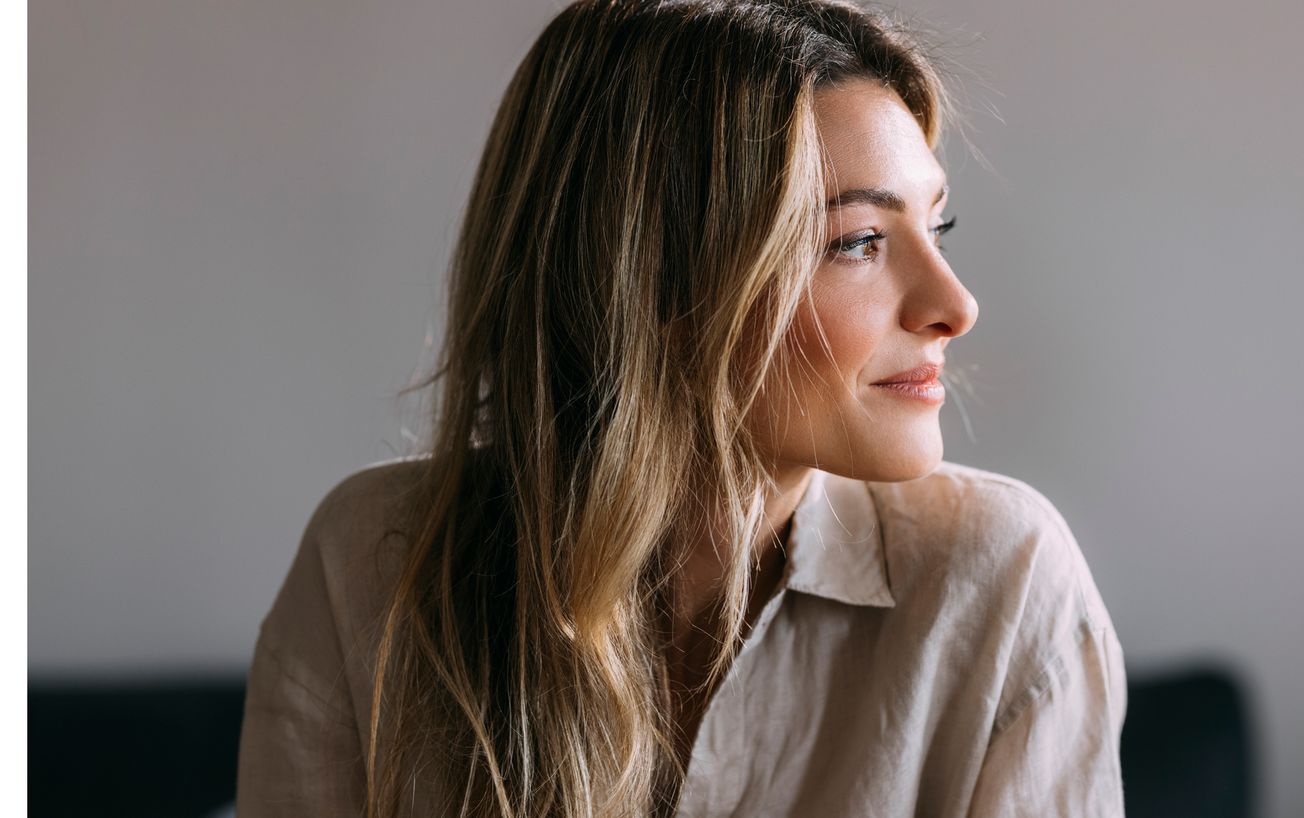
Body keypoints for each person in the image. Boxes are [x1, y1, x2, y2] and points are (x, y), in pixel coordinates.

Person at [235, 0, 1128, 816]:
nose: (955, 305)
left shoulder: (1002, 586)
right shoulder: (371, 574)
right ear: (649, 286)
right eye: (857, 241)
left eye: (936, 228)